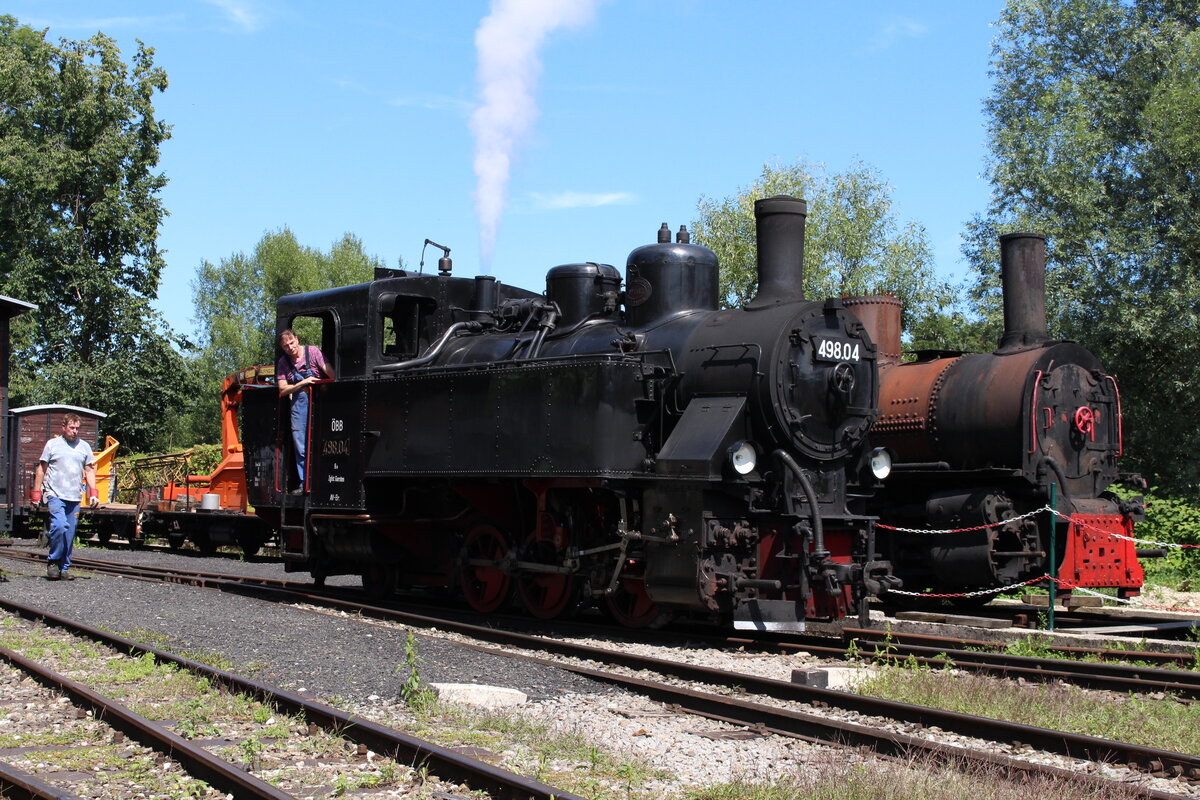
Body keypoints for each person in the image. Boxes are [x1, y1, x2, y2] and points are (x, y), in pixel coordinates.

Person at [31, 413, 98, 581]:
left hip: (74, 496)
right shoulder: (52, 445)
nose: (74, 431)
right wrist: (36, 494)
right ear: (64, 428)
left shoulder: (84, 447)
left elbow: (89, 470)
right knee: (60, 526)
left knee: (70, 533)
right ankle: (53, 561)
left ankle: (64, 568)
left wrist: (93, 494)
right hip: (55, 494)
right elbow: (41, 469)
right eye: (71, 428)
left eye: (77, 428)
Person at [276, 328, 332, 488]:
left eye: (291, 342)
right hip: (299, 406)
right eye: (286, 346)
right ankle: (304, 482)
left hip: (320, 402)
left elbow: (331, 374)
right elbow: (282, 389)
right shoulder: (283, 363)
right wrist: (302, 383)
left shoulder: (313, 352)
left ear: (297, 339)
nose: (290, 347)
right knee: (300, 445)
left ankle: (322, 479)